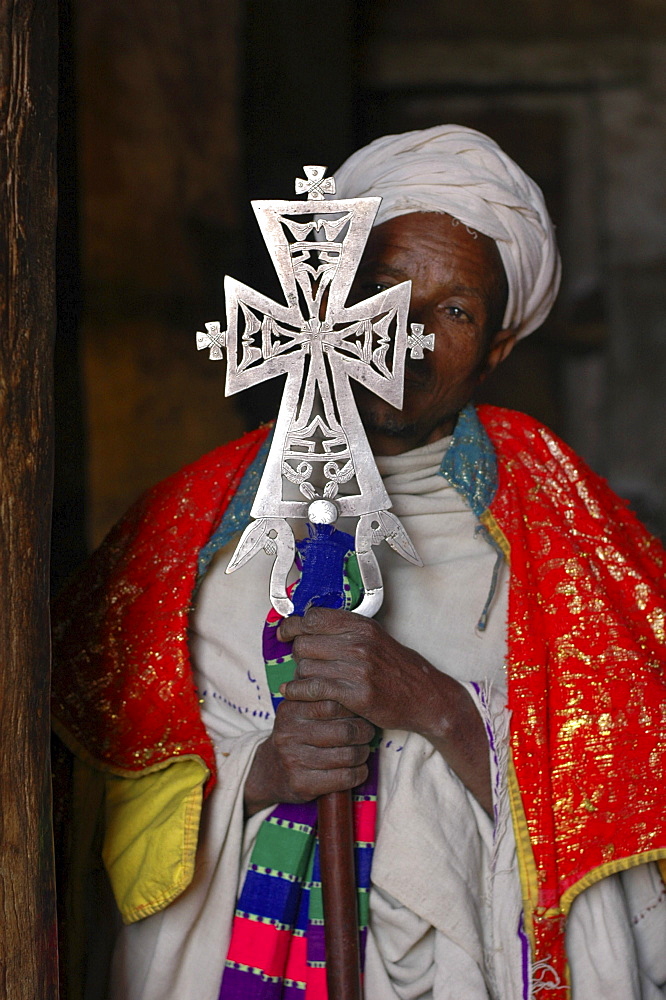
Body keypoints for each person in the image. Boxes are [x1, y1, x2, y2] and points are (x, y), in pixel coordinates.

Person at [52, 125, 666, 1000]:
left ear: (497, 348)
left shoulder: (567, 528)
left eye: (453, 311)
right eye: (381, 291)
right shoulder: (184, 526)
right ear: (326, 296)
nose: (404, 337)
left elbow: (636, 798)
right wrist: (258, 775)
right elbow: (75, 782)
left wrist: (443, 713)